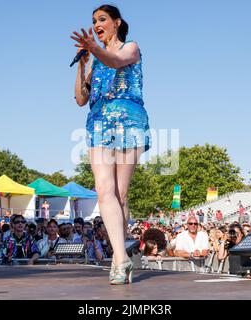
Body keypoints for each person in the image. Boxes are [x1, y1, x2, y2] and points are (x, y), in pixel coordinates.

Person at [71, 4, 151, 285]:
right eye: (93, 21)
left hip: (127, 117)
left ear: (117, 22)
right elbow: (81, 99)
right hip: (98, 122)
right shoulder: (94, 59)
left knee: (121, 194)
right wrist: (82, 66)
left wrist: (94, 49)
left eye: (102, 19)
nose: (96, 24)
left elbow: (115, 62)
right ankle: (121, 257)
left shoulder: (131, 47)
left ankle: (119, 258)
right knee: (104, 189)